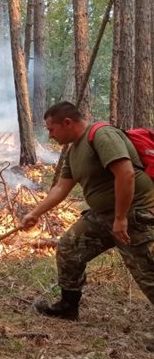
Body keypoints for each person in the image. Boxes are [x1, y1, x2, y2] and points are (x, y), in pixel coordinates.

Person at [20, 101, 154, 321]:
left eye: (51, 129)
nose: (50, 135)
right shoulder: (73, 152)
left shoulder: (101, 135)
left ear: (67, 122)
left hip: (134, 212)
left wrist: (121, 218)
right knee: (69, 246)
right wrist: (35, 213)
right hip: (104, 216)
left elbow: (126, 174)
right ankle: (68, 307)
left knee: (147, 270)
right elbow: (61, 188)